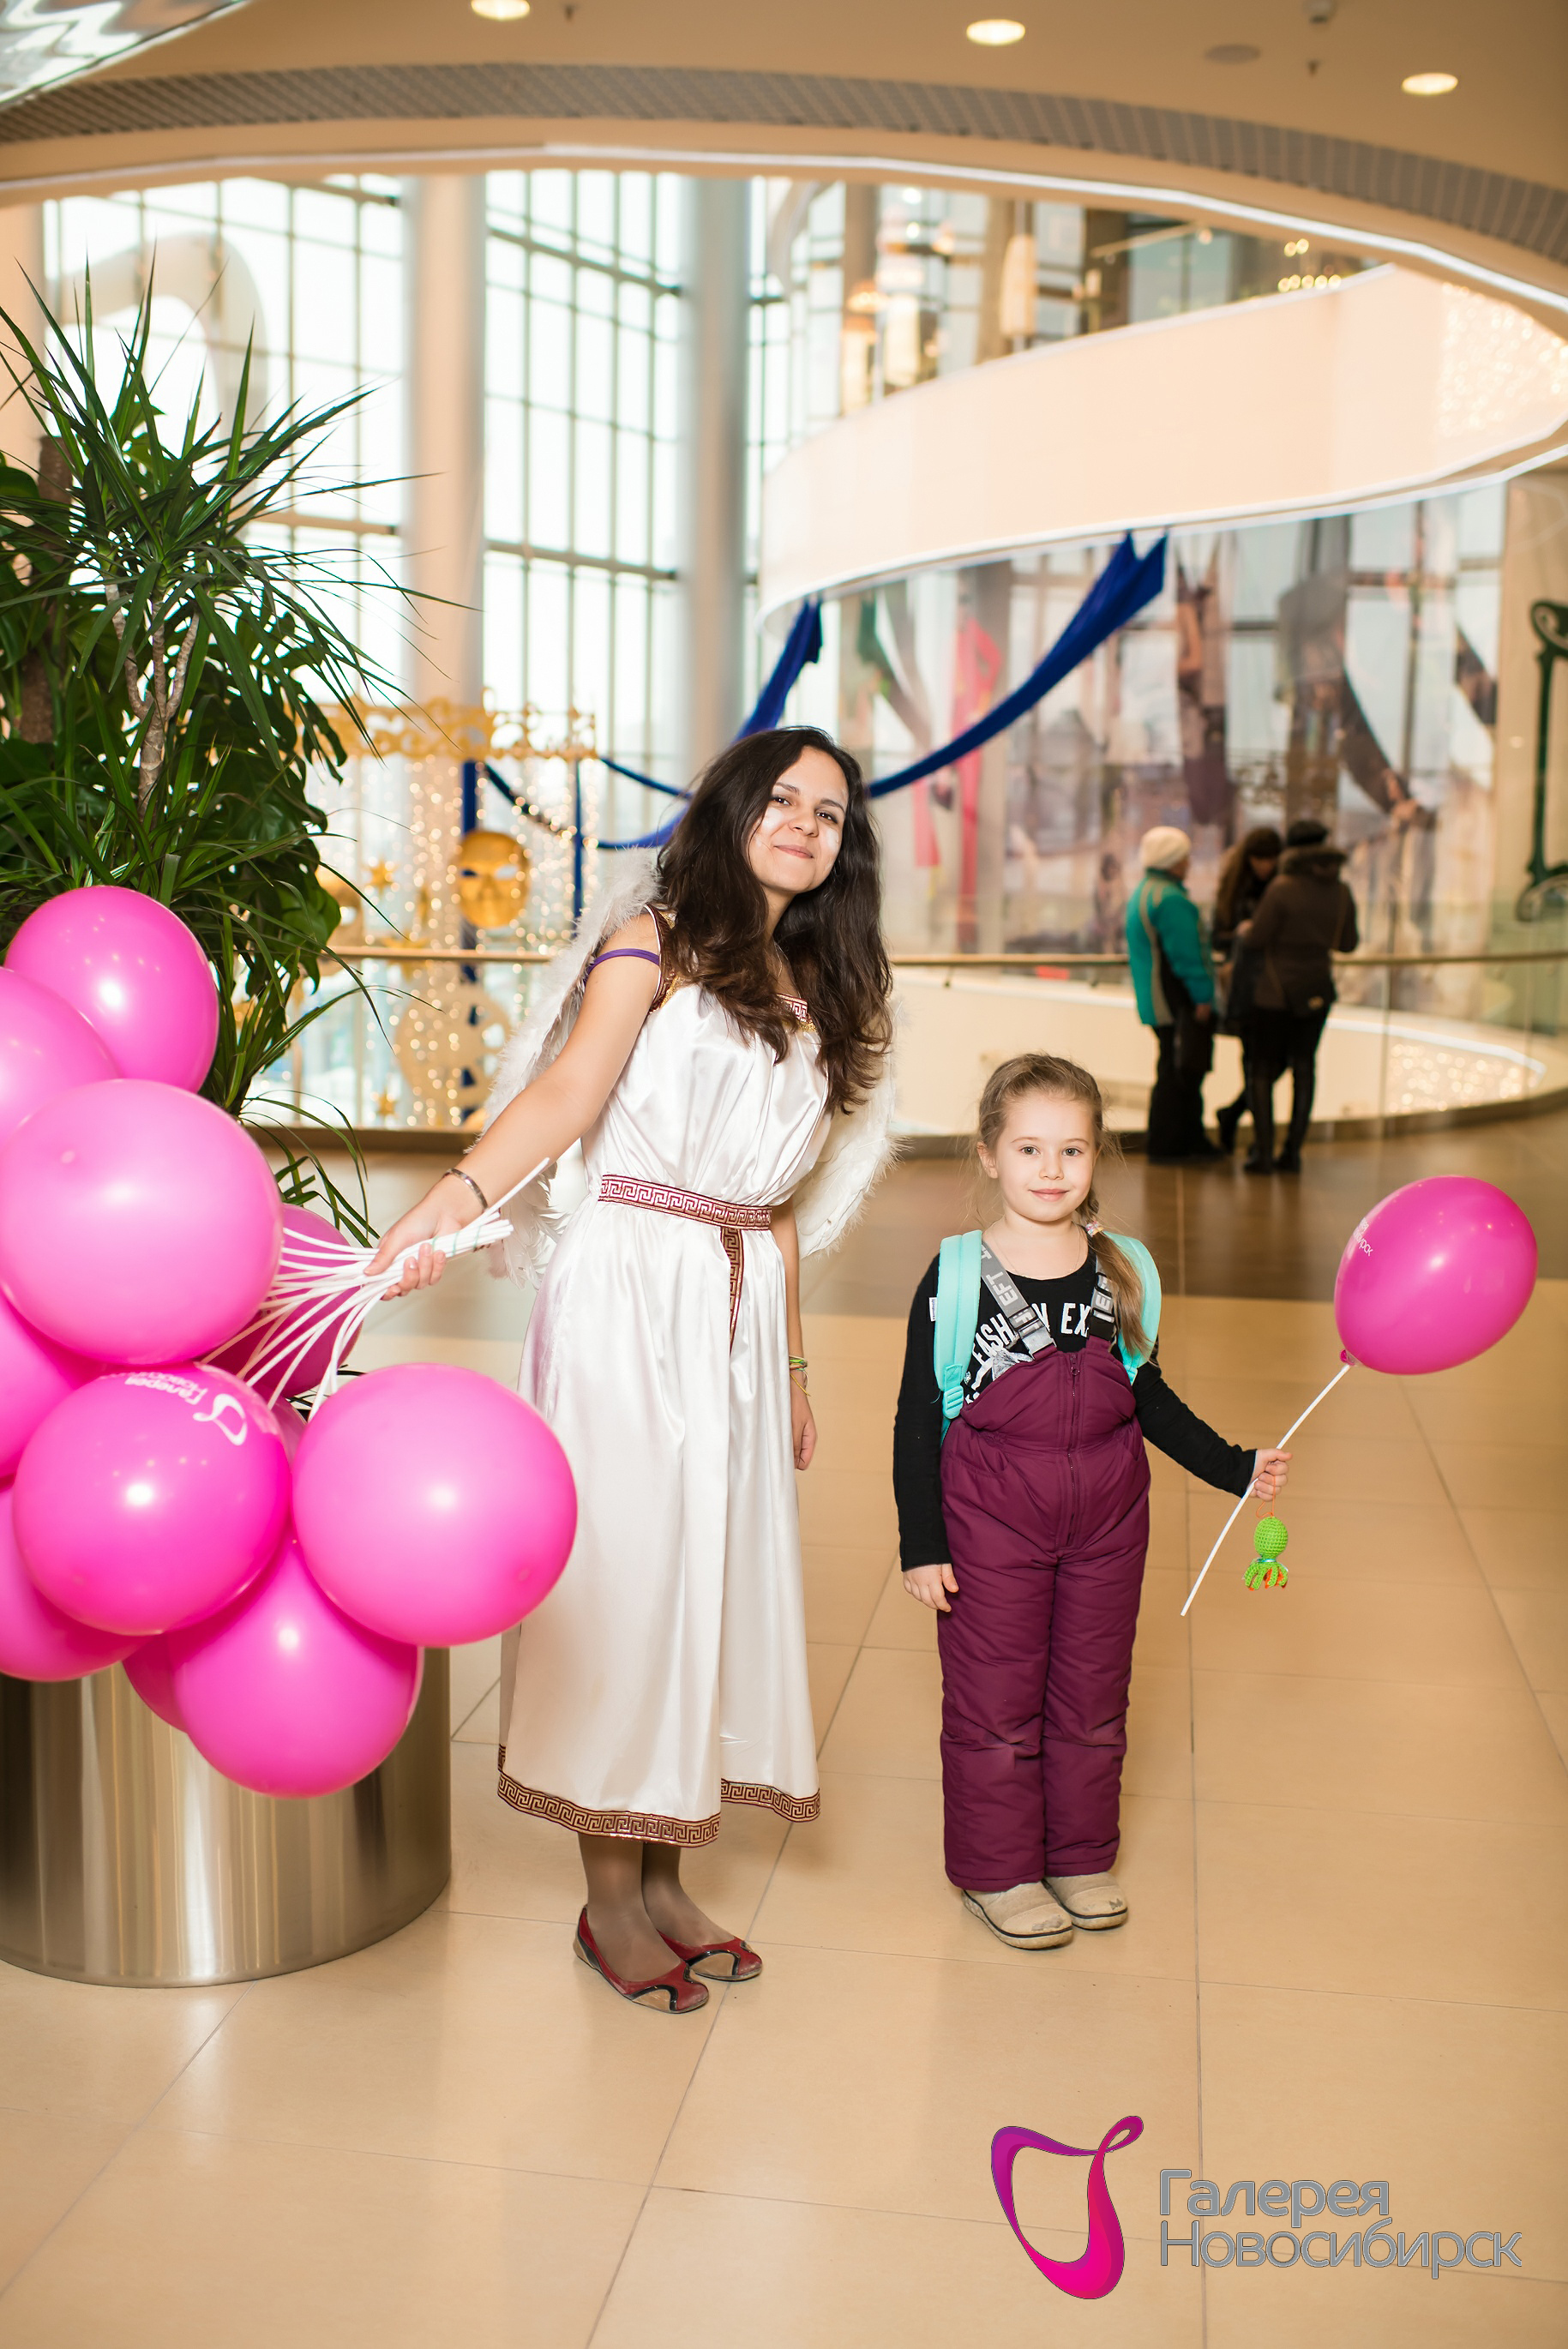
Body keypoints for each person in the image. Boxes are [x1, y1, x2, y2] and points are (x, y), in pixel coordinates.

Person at [372, 727, 895, 2013]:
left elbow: (779, 1206)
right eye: (782, 800)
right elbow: (565, 1096)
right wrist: (449, 1201)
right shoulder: (649, 944)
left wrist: (791, 1363)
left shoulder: (819, 986)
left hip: (735, 1298)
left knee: (703, 1576)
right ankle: (608, 1898)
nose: (804, 824)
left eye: (829, 813)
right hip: (632, 1286)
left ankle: (664, 1876)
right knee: (626, 1576)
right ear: (731, 810)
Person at [892, 1054, 1289, 1949]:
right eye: (1028, 1148)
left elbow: (1146, 1394)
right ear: (988, 1154)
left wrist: (1233, 1467)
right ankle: (997, 1872)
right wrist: (922, 1544)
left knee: (1092, 1697)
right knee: (994, 1705)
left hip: (1107, 1526)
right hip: (989, 1526)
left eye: (1071, 1149)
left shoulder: (1121, 1269)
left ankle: (1077, 1855)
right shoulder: (956, 1276)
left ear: (1096, 1153)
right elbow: (917, 1416)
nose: (1050, 1169)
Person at [1239, 815, 1360, 1174]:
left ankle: (1263, 1154)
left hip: (1274, 994)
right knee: (1304, 1069)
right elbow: (1348, 943)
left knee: (1262, 1072)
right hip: (1317, 992)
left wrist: (1245, 930)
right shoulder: (1341, 891)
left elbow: (1257, 938)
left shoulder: (1282, 888)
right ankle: (1292, 1153)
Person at [1124, 825, 1220, 1162]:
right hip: (1175, 1001)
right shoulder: (1171, 900)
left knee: (1171, 1068)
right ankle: (1173, 1144)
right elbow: (1186, 957)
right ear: (1173, 861)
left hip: (1156, 1001)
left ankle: (1174, 1142)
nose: (1189, 864)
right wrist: (1203, 996)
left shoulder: (1144, 892)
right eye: (1184, 858)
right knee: (1182, 1073)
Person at [1210, 825, 1282, 1155]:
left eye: (1270, 859)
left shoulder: (1282, 886)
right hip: (1245, 988)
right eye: (1258, 859)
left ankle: (1232, 1114)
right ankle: (1256, 1141)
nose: (1264, 865)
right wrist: (1242, 933)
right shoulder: (1235, 887)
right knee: (1254, 1064)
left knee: (1273, 1065)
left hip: (1276, 986)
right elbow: (1217, 936)